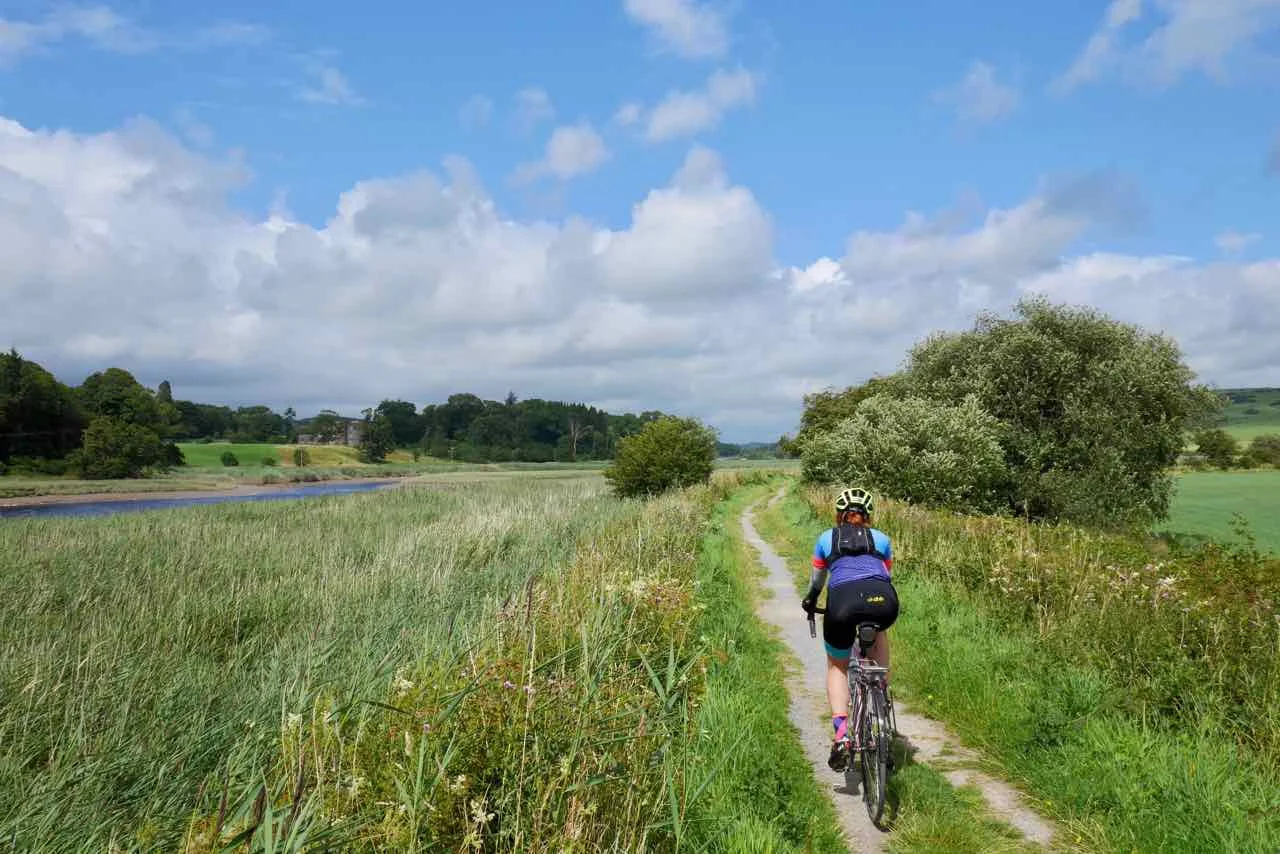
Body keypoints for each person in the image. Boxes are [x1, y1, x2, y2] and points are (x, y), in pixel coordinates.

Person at [801, 486, 900, 772]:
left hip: (842, 603)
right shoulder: (882, 539)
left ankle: (842, 735)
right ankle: (881, 708)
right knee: (879, 632)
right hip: (883, 601)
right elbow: (886, 575)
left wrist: (810, 601)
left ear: (838, 515)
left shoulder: (825, 538)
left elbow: (818, 580)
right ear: (868, 516)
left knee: (837, 666)